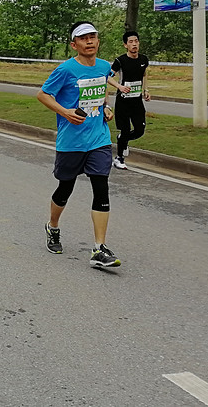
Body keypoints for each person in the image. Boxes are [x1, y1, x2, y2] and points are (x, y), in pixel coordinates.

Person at [36, 22, 121, 269]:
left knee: (101, 188)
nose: (90, 41)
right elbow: (43, 94)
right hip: (71, 141)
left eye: (93, 37)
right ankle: (52, 227)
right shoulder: (65, 70)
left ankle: (99, 248)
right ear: (74, 44)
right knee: (65, 189)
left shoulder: (105, 67)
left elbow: (102, 93)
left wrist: (106, 107)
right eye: (84, 38)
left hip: (98, 140)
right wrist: (65, 112)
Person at [108, 30, 150, 170]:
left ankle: (122, 139)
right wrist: (119, 86)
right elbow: (107, 77)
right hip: (123, 102)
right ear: (125, 45)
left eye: (136, 41)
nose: (134, 44)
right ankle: (119, 158)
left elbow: (144, 75)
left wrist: (146, 90)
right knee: (125, 130)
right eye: (131, 42)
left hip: (137, 102)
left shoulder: (144, 60)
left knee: (140, 130)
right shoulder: (120, 61)